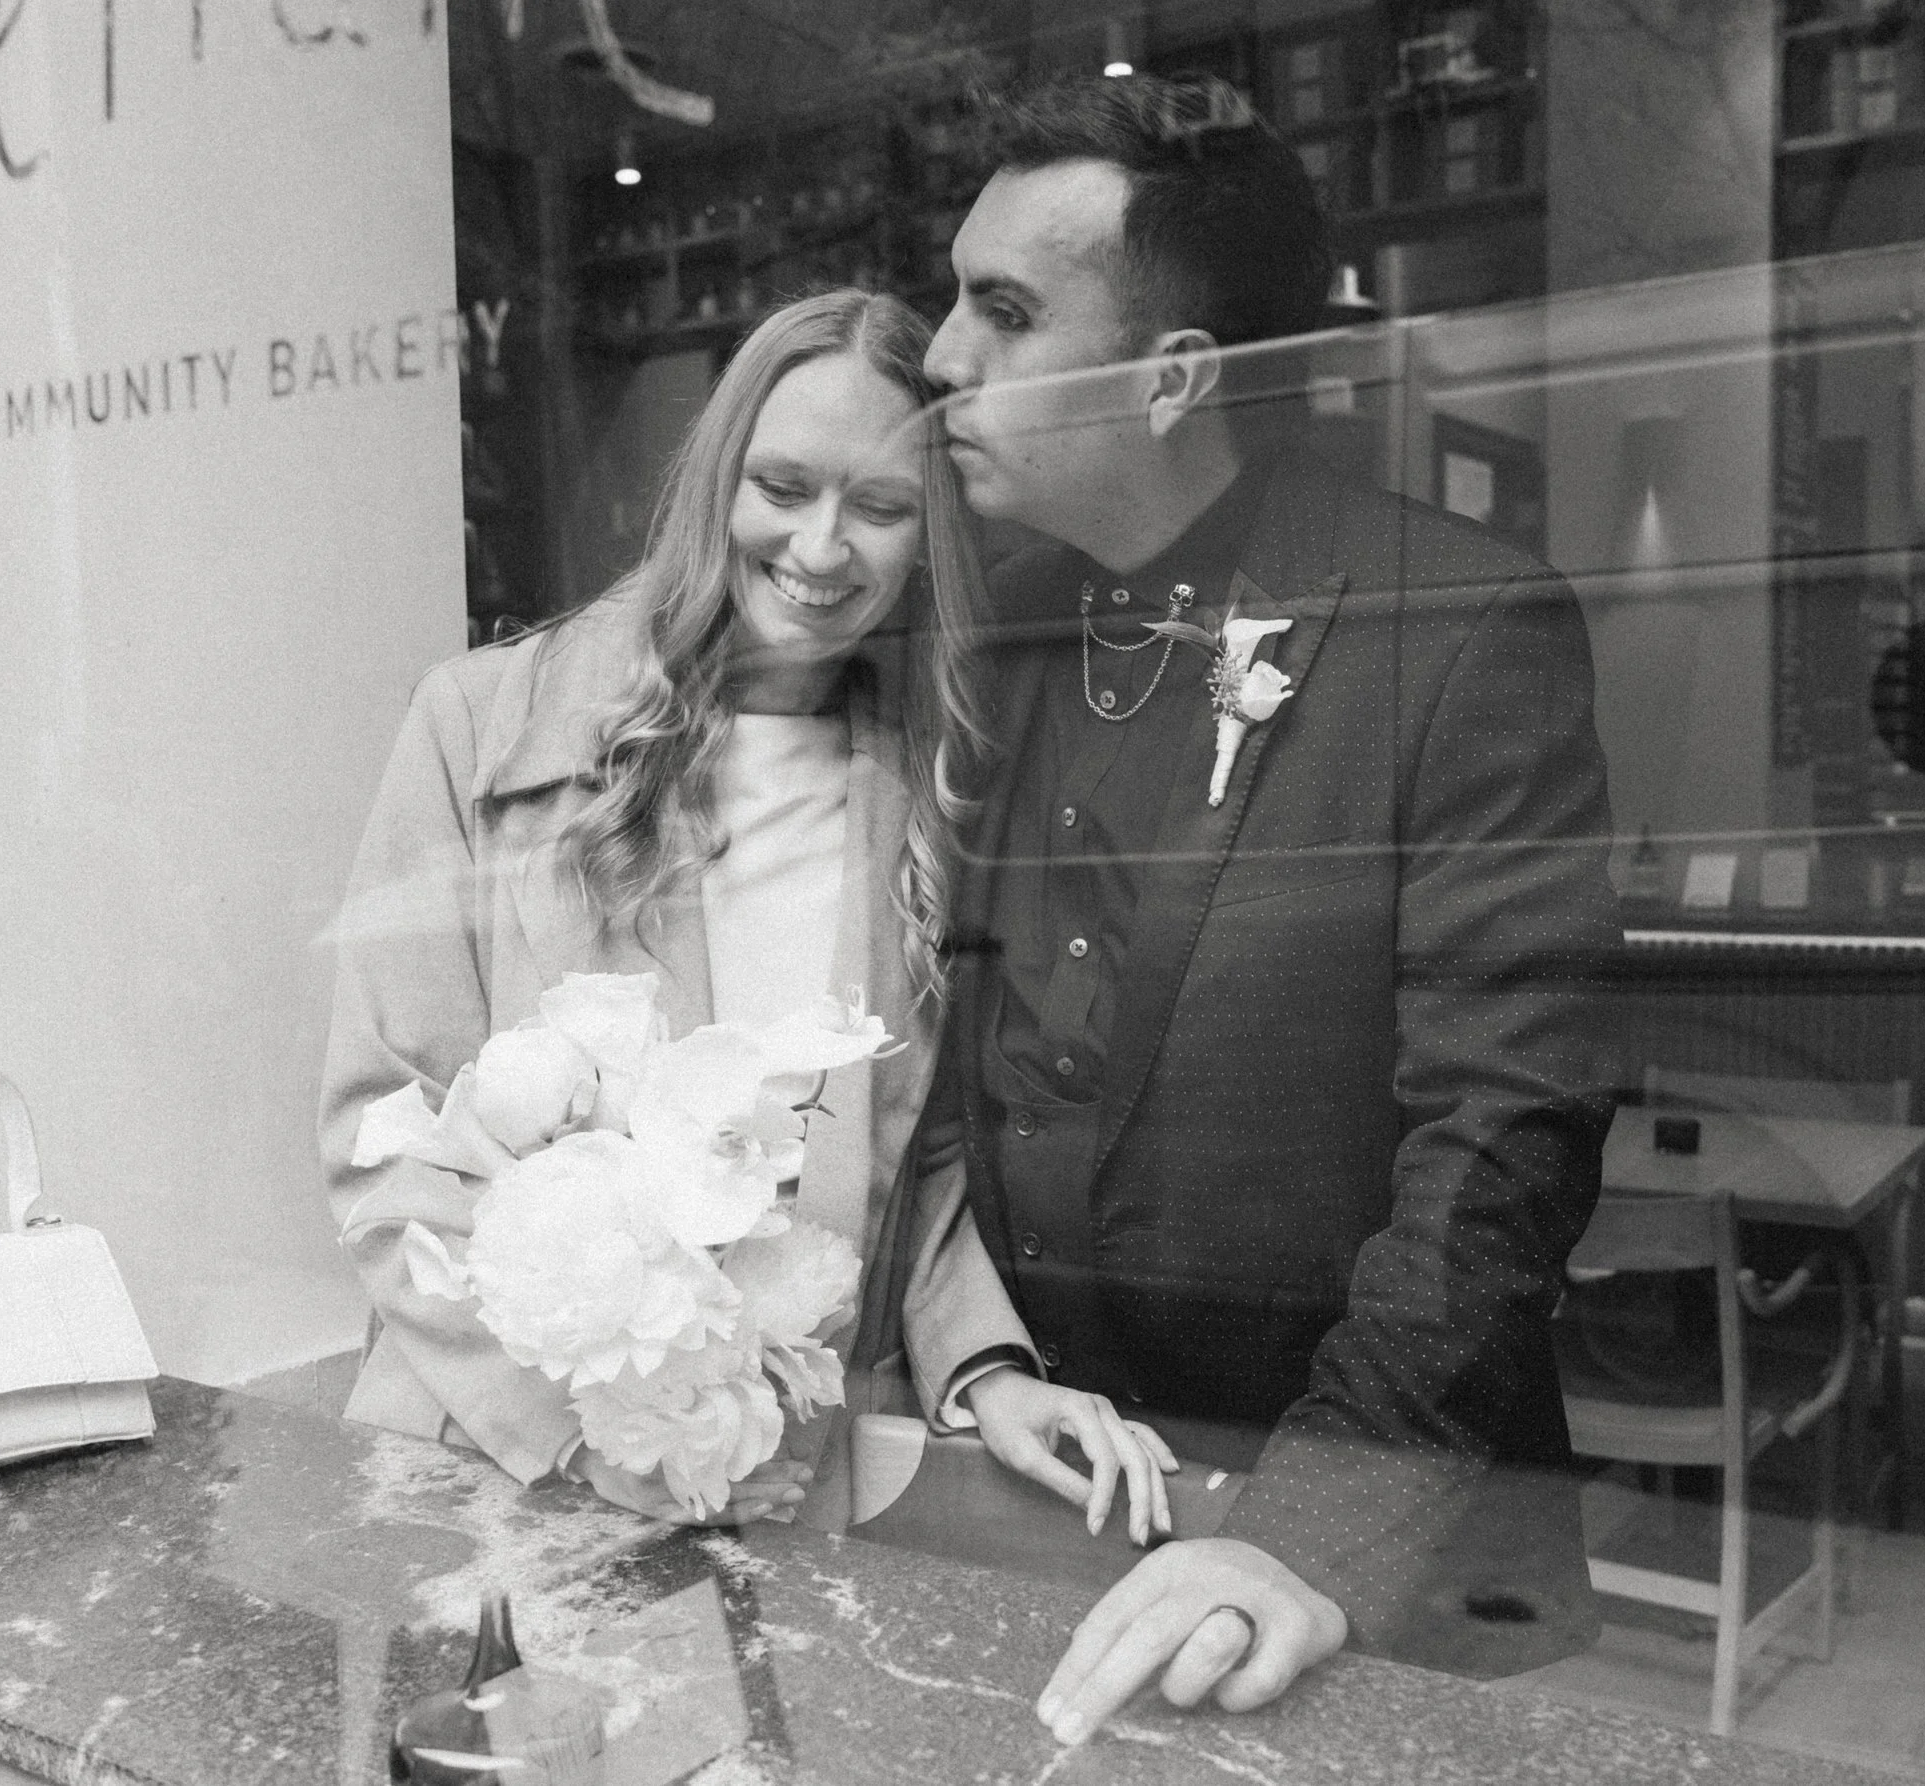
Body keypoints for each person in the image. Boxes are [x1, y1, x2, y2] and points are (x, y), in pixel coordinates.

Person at [916, 75, 1624, 1741]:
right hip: (1039, 1509)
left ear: (1170, 377)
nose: (942, 357)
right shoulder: (991, 640)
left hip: (1355, 1568)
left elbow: (1503, 1141)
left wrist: (1301, 1538)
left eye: (1005, 313)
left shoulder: (1458, 627)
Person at [318, 289, 1172, 1536]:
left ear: (926, 537)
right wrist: (603, 1441)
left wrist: (985, 1367)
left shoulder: (929, 785)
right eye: (783, 486)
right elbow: (384, 1138)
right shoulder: (479, 725)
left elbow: (914, 1159)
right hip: (491, 1468)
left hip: (780, 1472)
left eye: (879, 507)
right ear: (717, 481)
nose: (822, 550)